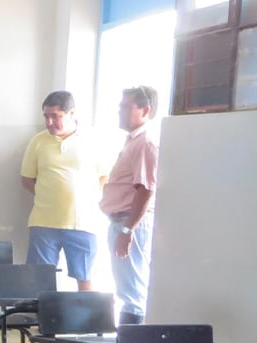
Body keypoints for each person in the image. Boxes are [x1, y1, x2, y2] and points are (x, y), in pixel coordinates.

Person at [20, 90, 108, 290]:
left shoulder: (92, 140)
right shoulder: (38, 141)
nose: (49, 122)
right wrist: (49, 196)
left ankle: (86, 321)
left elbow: (106, 177)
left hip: (83, 223)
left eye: (55, 116)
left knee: (85, 279)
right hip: (43, 222)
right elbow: (27, 180)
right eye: (46, 116)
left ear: (72, 114)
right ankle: (42, 322)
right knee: (39, 280)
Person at [100, 86, 160, 325]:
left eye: (126, 107)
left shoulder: (144, 143)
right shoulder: (133, 141)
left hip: (129, 222)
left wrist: (128, 229)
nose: (120, 111)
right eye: (120, 107)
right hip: (122, 221)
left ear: (145, 110)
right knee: (127, 291)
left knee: (132, 294)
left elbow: (146, 189)